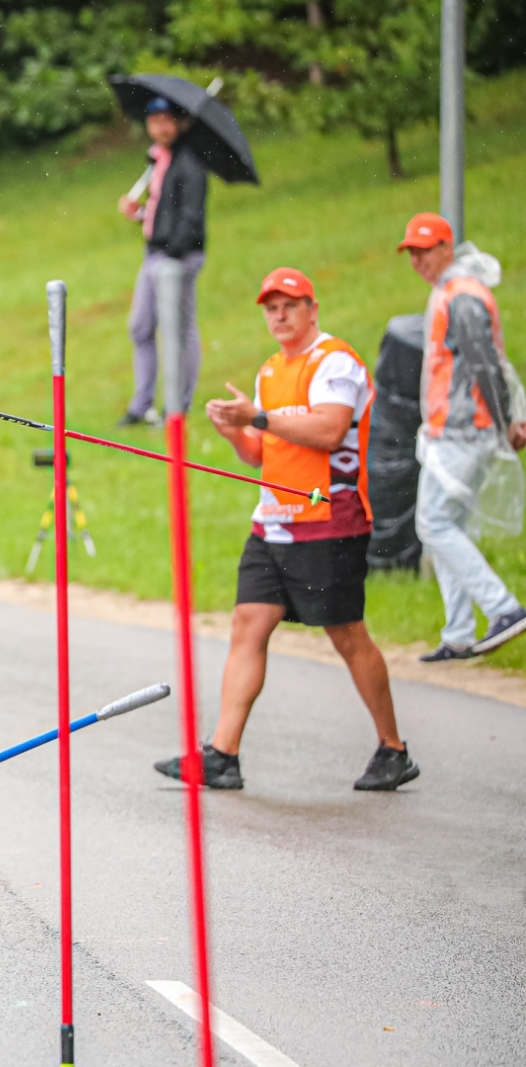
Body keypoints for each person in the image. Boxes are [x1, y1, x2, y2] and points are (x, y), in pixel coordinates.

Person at [153, 268, 417, 792]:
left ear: (312, 309)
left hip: (329, 520)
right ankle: (222, 755)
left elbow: (329, 429)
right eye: (270, 307)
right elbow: (262, 453)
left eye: (289, 305)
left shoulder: (334, 361)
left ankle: (393, 748)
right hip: (273, 523)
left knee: (346, 634)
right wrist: (236, 431)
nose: (279, 315)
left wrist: (259, 417)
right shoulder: (270, 371)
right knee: (248, 623)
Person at [400, 212, 526, 661]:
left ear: (446, 248)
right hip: (453, 429)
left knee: (432, 522)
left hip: (462, 431)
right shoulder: (452, 291)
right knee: (448, 526)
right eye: (411, 252)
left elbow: (485, 364)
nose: (417, 259)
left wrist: (504, 420)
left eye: (424, 250)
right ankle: (458, 633)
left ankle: (504, 609)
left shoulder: (462, 296)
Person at [117, 96, 209, 427]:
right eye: (154, 121)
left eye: (167, 120)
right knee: (140, 327)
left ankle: (177, 406)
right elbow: (162, 212)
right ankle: (141, 405)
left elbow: (191, 219)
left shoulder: (190, 162)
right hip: (154, 254)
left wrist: (171, 252)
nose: (161, 127)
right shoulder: (159, 161)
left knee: (180, 330)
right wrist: (138, 213)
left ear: (180, 122)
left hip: (178, 259)